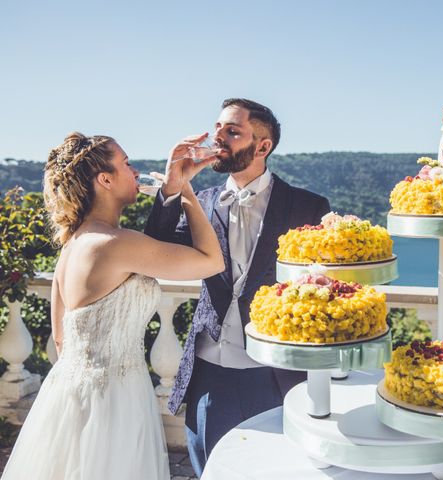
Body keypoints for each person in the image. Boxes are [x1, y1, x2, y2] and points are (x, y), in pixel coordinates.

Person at [1, 132, 225, 480]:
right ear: (104, 179)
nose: (135, 172)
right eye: (126, 163)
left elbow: (62, 342)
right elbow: (212, 261)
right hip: (115, 401)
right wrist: (185, 191)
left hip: (69, 394)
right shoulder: (115, 244)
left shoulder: (74, 245)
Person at [144, 98, 331, 476]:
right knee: (210, 468)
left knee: (278, 470)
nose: (219, 137)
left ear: (262, 146)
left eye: (232, 131)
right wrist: (173, 184)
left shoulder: (307, 206)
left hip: (276, 373)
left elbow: (325, 284)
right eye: (218, 128)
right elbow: (155, 249)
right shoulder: (202, 201)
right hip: (210, 372)